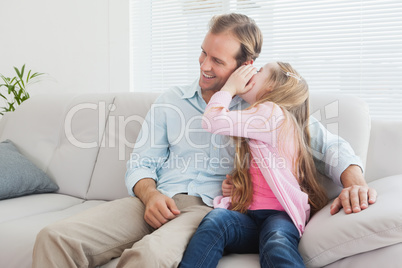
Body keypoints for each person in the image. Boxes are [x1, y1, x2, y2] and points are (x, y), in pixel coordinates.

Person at [32, 13, 376, 268]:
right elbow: (142, 162)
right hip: (154, 199)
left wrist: (355, 182)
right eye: (203, 53)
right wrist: (149, 194)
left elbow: (330, 145)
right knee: (55, 237)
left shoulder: (263, 111)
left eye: (217, 60)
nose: (204, 66)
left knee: (149, 257)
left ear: (246, 67)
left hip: (206, 208)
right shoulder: (171, 100)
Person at [179, 62, 326, 267]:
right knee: (217, 220)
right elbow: (268, 176)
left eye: (259, 71)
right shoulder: (261, 116)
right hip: (250, 219)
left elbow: (212, 120)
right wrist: (236, 191)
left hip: (280, 216)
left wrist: (229, 88)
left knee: (277, 241)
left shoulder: (272, 113)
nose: (250, 73)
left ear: (272, 87)